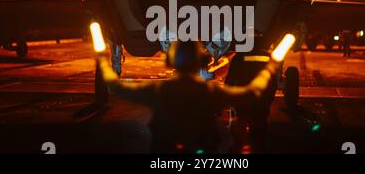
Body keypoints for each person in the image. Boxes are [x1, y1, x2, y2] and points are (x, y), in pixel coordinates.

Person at [96, 40, 278, 153]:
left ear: (171, 61)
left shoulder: (159, 90)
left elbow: (115, 86)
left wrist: (102, 58)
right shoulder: (210, 93)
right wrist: (271, 66)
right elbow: (254, 91)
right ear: (201, 61)